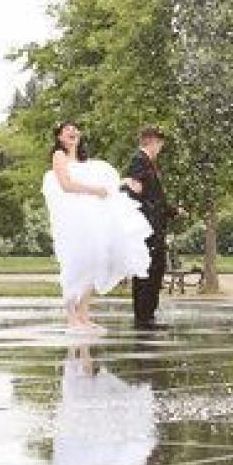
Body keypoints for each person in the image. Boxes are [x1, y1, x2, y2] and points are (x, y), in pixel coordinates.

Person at [42, 122, 152, 333]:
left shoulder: (87, 163)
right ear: (59, 137)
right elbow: (66, 185)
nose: (73, 132)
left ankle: (83, 313)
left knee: (96, 261)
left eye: (75, 130)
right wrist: (94, 191)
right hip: (73, 221)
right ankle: (71, 316)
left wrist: (125, 181)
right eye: (67, 130)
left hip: (90, 220)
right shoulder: (59, 156)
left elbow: (105, 187)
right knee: (76, 262)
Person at [124, 126, 182, 330]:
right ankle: (144, 316)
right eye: (159, 144)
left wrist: (172, 211)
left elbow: (154, 197)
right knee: (148, 269)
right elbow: (134, 191)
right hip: (146, 227)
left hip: (154, 224)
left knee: (155, 268)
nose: (160, 148)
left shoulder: (147, 163)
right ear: (152, 142)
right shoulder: (139, 160)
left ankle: (148, 314)